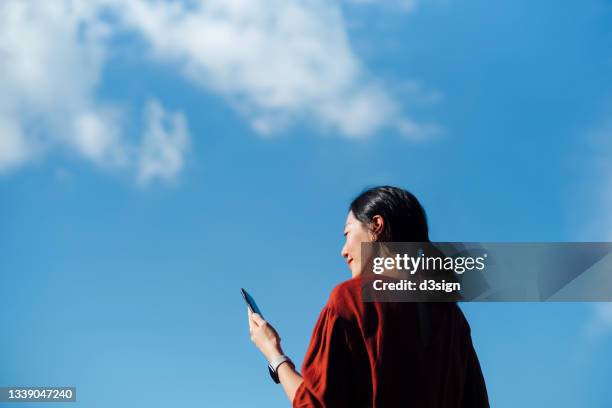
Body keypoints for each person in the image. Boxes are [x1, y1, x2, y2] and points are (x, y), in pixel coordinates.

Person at [248, 185, 489, 407]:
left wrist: (274, 354)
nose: (343, 251)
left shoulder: (351, 299)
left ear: (376, 225)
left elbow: (315, 404)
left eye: (347, 234)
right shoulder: (452, 317)